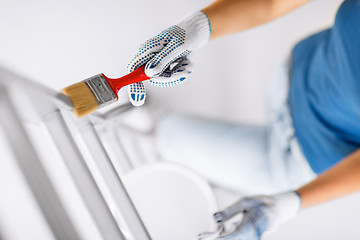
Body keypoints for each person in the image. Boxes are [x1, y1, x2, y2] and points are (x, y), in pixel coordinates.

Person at [127, 0, 360, 239]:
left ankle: (153, 127)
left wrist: (284, 205)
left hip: (294, 160)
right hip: (290, 76)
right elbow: (272, 3)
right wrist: (189, 31)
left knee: (166, 136)